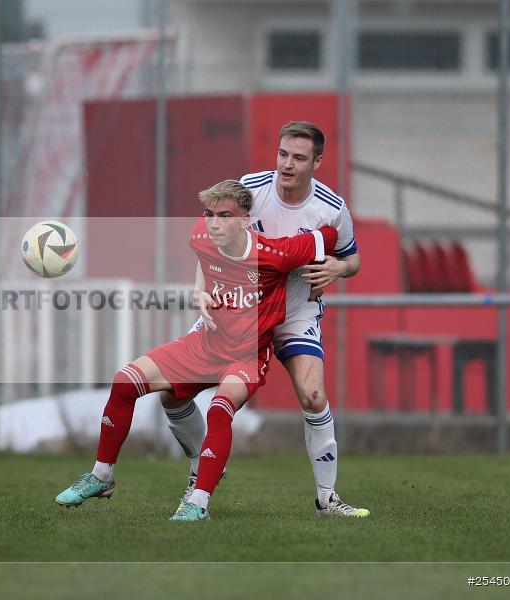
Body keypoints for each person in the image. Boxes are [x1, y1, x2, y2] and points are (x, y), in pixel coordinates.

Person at [54, 179, 338, 520]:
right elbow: (203, 255)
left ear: (245, 220)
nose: (214, 223)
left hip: (246, 356)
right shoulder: (201, 234)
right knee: (124, 381)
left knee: (219, 410)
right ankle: (102, 476)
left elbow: (331, 234)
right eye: (209, 214)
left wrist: (335, 266)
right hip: (204, 344)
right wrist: (198, 290)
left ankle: (199, 502)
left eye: (224, 216)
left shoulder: (276, 255)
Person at [159, 121, 368, 518]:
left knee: (313, 395)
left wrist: (338, 269)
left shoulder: (331, 208)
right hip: (238, 307)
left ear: (316, 163)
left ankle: (327, 498)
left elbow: (353, 259)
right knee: (172, 393)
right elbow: (212, 240)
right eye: (282, 154)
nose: (286, 164)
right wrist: (201, 289)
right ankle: (203, 466)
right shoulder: (250, 189)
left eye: (299, 158)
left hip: (294, 311)